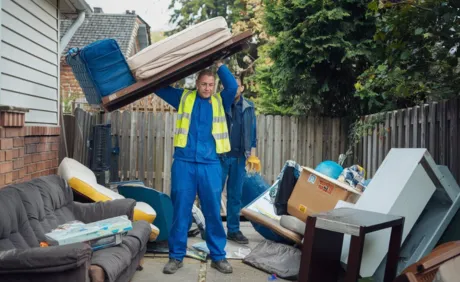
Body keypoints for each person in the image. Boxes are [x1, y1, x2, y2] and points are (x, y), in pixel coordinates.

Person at [154, 61, 238, 275]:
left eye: (211, 85)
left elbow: (232, 87)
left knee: (212, 212)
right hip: (184, 163)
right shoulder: (183, 97)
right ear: (197, 84)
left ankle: (218, 257)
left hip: (210, 164)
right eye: (203, 84)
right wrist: (177, 68)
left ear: (214, 86)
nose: (207, 88)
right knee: (180, 210)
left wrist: (220, 66)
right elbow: (160, 88)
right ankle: (176, 257)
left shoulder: (221, 100)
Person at [221, 76, 257, 244]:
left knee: (235, 196)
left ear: (242, 88)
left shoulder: (249, 107)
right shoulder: (221, 103)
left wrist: (253, 155)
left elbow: (253, 132)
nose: (233, 89)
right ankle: (212, 229)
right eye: (229, 85)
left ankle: (233, 230)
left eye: (236, 86)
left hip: (239, 159)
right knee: (212, 194)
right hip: (220, 157)